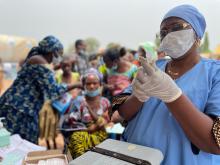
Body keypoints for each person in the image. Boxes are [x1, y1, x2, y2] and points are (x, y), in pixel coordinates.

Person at [111, 5, 220, 165]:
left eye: (177, 27)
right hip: (134, 158)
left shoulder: (215, 73)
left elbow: (215, 142)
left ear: (197, 33)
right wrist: (139, 96)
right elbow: (121, 113)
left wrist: (173, 96)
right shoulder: (153, 67)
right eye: (163, 32)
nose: (169, 35)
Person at [0, 36, 80, 144]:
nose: (59, 57)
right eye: (58, 54)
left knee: (16, 144)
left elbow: (43, 77)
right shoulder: (39, 61)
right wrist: (76, 85)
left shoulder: (37, 59)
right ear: (52, 52)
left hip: (20, 107)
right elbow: (53, 91)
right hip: (20, 109)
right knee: (16, 144)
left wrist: (54, 69)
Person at [66, 68, 110, 158]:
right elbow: (71, 123)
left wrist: (97, 126)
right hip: (82, 134)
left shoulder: (105, 102)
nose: (92, 86)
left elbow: (109, 120)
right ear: (84, 85)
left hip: (101, 134)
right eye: (88, 84)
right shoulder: (78, 102)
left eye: (95, 83)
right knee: (76, 138)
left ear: (100, 84)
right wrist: (87, 129)